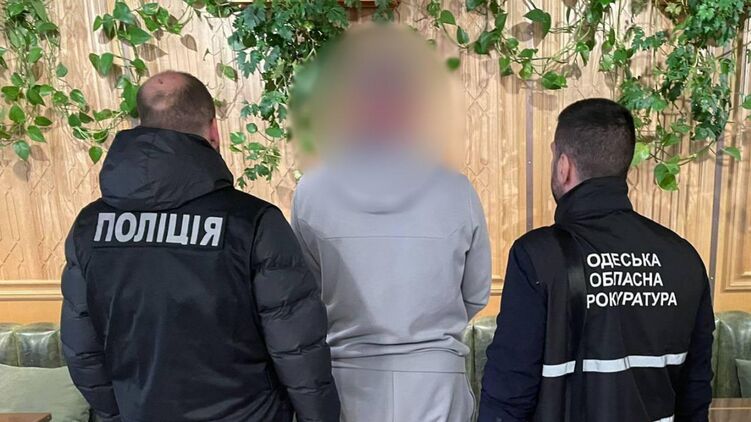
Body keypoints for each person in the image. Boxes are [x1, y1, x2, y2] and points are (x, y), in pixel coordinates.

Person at [60, 71, 340, 422]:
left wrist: (116, 415)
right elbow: (297, 348)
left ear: (140, 124)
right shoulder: (253, 223)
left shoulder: (89, 228)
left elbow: (82, 350)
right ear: (213, 131)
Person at [291, 25, 492, 422]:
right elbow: (476, 293)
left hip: (349, 378)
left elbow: (307, 293)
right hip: (436, 376)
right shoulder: (456, 191)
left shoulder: (311, 191)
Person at [479, 98, 714, 422]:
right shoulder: (684, 258)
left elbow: (509, 393)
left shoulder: (537, 256)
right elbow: (696, 394)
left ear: (564, 166)